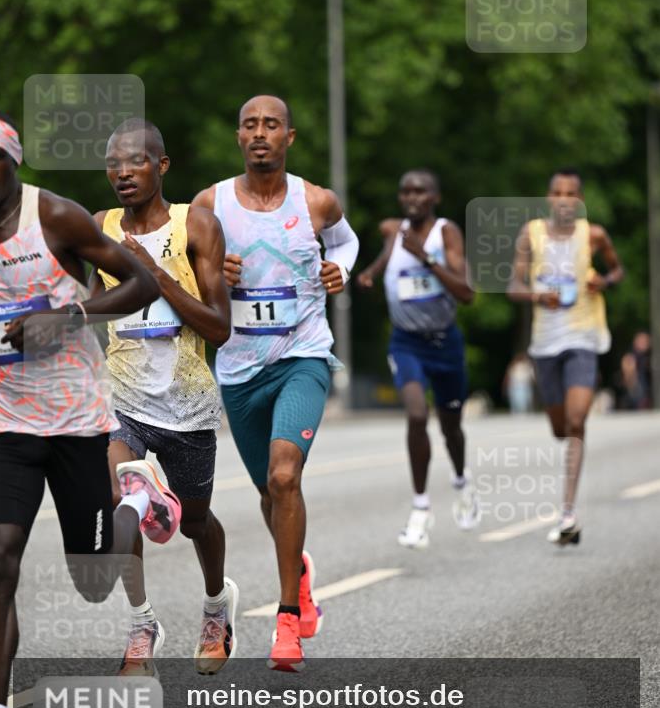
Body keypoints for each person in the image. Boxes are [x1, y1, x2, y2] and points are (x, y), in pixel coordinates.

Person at [0, 113, 164, 708]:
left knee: (94, 579)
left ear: (12, 164)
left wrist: (69, 317)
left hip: (76, 417)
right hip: (4, 419)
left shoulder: (54, 217)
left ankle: (140, 499)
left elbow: (143, 284)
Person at [192, 95, 359, 672]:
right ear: (238, 137)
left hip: (302, 355)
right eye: (249, 125)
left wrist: (343, 270)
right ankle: (301, 570)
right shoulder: (210, 204)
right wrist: (211, 271)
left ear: (290, 136)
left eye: (271, 125)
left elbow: (345, 242)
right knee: (269, 490)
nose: (259, 133)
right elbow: (186, 268)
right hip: (239, 368)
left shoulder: (315, 200)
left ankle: (287, 619)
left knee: (285, 475)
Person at [90, 118, 237, 677]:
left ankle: (217, 606)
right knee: (120, 498)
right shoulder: (100, 228)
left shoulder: (196, 225)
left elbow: (218, 327)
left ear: (162, 165)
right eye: (113, 164)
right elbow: (94, 299)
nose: (123, 173)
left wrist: (155, 276)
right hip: (122, 394)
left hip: (188, 398)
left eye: (135, 161)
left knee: (197, 521)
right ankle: (141, 624)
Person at [357, 169, 478, 549]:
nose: (412, 198)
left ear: (435, 197)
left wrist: (427, 259)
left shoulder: (447, 234)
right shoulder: (396, 234)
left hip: (446, 346)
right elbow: (385, 253)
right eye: (406, 191)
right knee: (416, 415)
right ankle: (421, 507)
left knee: (451, 427)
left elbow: (467, 293)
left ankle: (461, 481)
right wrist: (370, 274)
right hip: (406, 343)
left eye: (420, 191)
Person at [508, 168, 623, 545]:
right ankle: (567, 436)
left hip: (584, 336)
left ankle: (568, 511)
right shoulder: (532, 234)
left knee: (576, 421)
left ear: (580, 201)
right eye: (557, 192)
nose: (563, 199)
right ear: (548, 198)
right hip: (546, 343)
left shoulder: (594, 235)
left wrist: (603, 281)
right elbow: (514, 285)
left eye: (571, 193)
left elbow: (617, 270)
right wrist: (538, 296)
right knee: (560, 427)